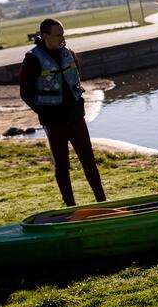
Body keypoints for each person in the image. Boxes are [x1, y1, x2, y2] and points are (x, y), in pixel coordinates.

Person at [20, 18, 107, 207]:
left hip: (76, 117)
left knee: (88, 161)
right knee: (62, 165)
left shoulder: (70, 54)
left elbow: (75, 80)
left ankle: (102, 201)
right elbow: (25, 93)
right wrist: (44, 111)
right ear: (45, 36)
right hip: (53, 122)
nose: (62, 38)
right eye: (58, 35)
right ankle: (70, 206)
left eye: (63, 34)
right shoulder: (32, 60)